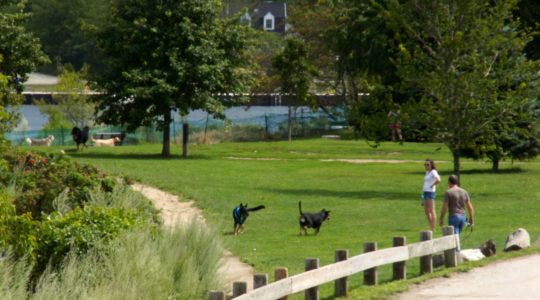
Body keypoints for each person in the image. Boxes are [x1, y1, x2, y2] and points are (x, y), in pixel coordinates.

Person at [422, 159, 441, 232]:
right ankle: (431, 225)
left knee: (432, 210)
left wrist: (432, 185)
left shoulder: (433, 172)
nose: (426, 166)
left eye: (427, 165)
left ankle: (433, 227)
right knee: (426, 210)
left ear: (431, 165)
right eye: (425, 164)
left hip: (430, 192)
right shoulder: (427, 172)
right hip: (425, 192)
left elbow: (438, 180)